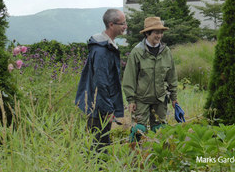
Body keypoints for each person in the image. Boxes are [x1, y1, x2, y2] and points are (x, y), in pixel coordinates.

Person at [75, 9, 127, 152]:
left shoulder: (107, 46)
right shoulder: (101, 50)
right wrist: (108, 109)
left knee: (101, 145)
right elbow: (101, 82)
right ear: (111, 24)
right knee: (99, 148)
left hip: (100, 106)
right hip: (98, 108)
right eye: (122, 23)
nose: (125, 26)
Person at [122, 16, 178, 142]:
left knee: (160, 130)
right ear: (147, 33)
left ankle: (158, 157)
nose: (159, 36)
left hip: (160, 99)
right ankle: (135, 157)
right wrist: (131, 100)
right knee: (138, 129)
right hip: (142, 99)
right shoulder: (137, 52)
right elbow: (129, 78)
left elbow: (172, 76)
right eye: (156, 33)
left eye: (161, 32)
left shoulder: (166, 52)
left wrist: (174, 98)